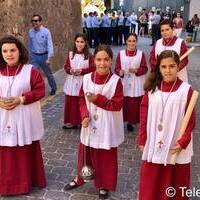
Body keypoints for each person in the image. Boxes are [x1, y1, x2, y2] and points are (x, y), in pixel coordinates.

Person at [63, 44, 124, 199]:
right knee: (85, 152)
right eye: (99, 59)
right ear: (94, 60)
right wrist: (84, 115)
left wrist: (98, 99)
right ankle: (81, 177)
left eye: (106, 60)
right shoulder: (87, 78)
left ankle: (104, 184)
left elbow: (117, 105)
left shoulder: (116, 81)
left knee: (105, 155)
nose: (102, 63)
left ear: (111, 61)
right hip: (89, 123)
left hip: (107, 125)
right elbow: (81, 99)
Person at [138, 50, 196, 200]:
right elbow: (144, 115)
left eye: (172, 66)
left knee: (175, 186)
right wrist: (142, 138)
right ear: (159, 68)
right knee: (152, 185)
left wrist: (183, 140)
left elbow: (191, 121)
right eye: (164, 67)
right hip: (154, 141)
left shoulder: (186, 90)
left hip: (176, 144)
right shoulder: (152, 89)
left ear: (178, 66)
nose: (168, 70)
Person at [0, 36, 46, 195]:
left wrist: (21, 99)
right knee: (6, 153)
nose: (9, 54)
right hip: (4, 120)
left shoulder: (30, 71)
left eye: (12, 50)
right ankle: (6, 185)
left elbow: (40, 90)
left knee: (24, 150)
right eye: (5, 51)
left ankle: (25, 183)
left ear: (20, 51)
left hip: (24, 119)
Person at [115, 33, 147, 132]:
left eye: (134, 41)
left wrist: (137, 71)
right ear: (126, 41)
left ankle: (131, 122)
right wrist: (119, 72)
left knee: (133, 103)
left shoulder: (141, 54)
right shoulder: (121, 53)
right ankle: (121, 121)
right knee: (124, 102)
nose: (131, 43)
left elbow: (144, 68)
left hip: (136, 82)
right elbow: (116, 68)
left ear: (136, 42)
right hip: (124, 81)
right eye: (129, 41)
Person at [63, 33, 95, 129]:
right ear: (75, 42)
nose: (79, 44)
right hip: (71, 81)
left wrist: (81, 71)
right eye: (77, 42)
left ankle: (82, 120)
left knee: (81, 101)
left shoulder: (89, 56)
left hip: (82, 81)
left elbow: (92, 68)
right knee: (71, 101)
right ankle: (72, 121)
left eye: (82, 42)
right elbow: (66, 66)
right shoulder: (70, 54)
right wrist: (70, 70)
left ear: (85, 43)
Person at [28, 14, 57, 95]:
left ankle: (53, 88)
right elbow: (30, 44)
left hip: (44, 56)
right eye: (32, 21)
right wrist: (30, 56)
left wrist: (49, 58)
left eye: (36, 21)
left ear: (40, 22)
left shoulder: (46, 31)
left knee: (48, 74)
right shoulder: (30, 31)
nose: (34, 22)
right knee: (34, 74)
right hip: (34, 57)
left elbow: (50, 45)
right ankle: (36, 91)